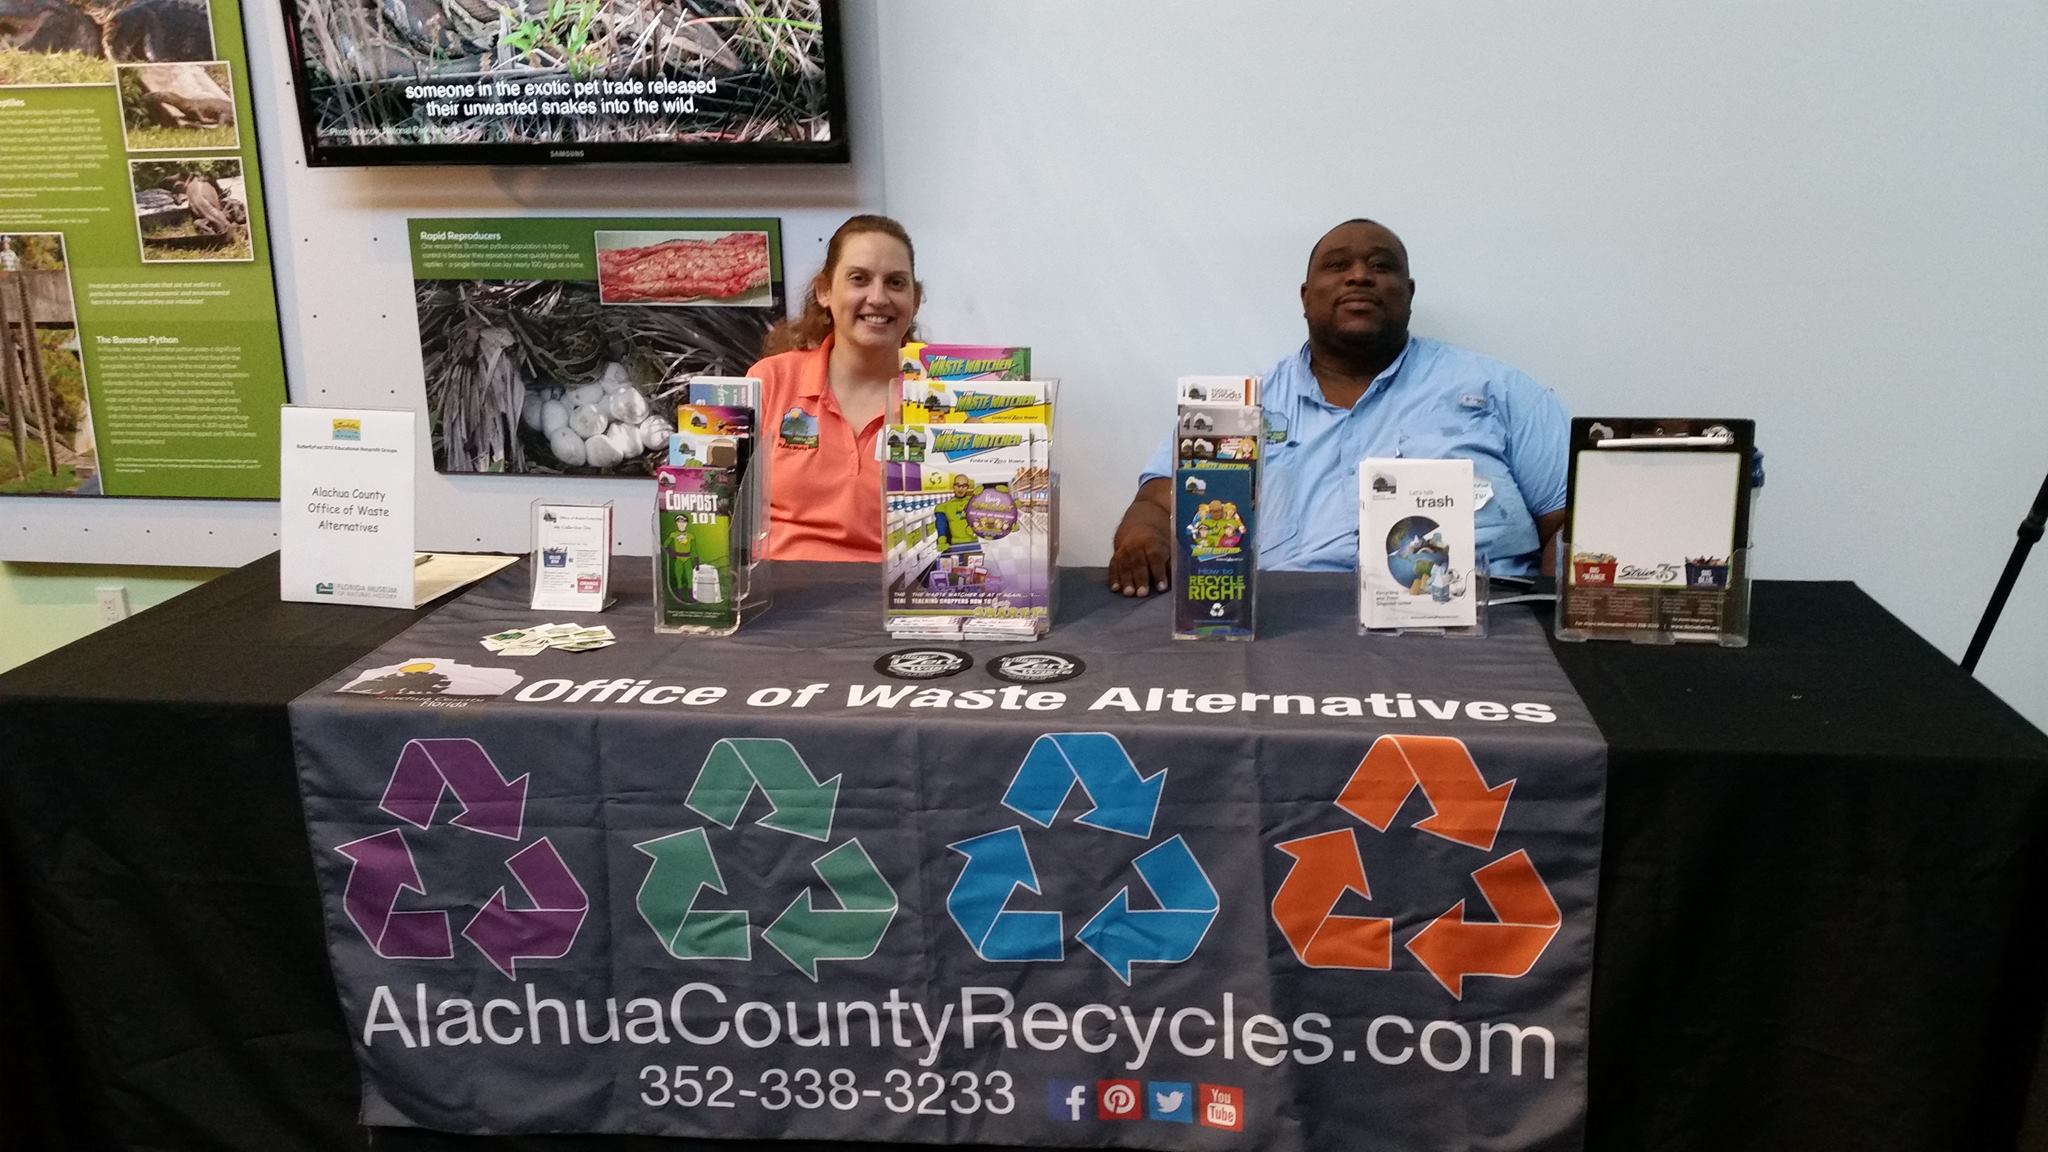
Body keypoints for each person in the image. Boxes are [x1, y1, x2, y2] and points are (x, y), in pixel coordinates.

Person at [1107, 218, 1569, 595]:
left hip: (1478, 619)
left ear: (1408, 294)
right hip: (1285, 626)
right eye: (1337, 265)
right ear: (1306, 297)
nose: (1360, 276)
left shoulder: (1499, 391)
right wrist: (1144, 539)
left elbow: (1569, 523)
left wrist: (1554, 623)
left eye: (1381, 266)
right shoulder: (1234, 409)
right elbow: (1157, 505)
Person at [748, 214, 923, 561]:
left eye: (896, 283)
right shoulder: (769, 382)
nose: (878, 297)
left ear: (915, 300)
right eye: (859, 279)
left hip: (897, 597)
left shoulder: (943, 398)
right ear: (824, 291)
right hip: (783, 598)